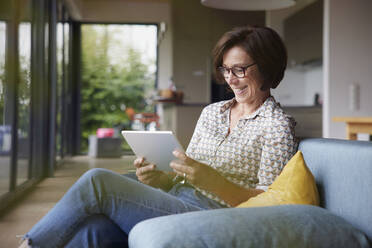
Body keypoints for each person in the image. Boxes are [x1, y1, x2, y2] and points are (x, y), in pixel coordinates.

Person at [19, 25, 297, 248]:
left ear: (267, 67)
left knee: (97, 182)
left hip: (212, 214)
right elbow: (186, 171)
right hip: (177, 195)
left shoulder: (277, 126)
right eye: (225, 70)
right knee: (96, 229)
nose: (231, 79)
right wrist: (161, 178)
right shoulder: (213, 112)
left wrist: (214, 182)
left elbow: (267, 204)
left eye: (240, 69)